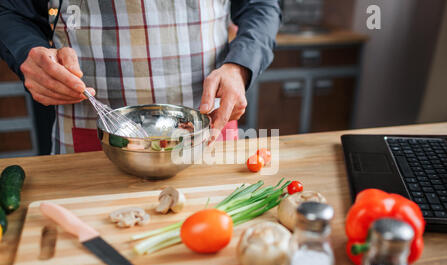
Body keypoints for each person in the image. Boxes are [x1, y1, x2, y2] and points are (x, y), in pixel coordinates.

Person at [0, 0, 281, 153]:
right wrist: (25, 49)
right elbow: (10, 9)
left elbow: (261, 4)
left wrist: (240, 66)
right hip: (92, 140)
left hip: (207, 133)